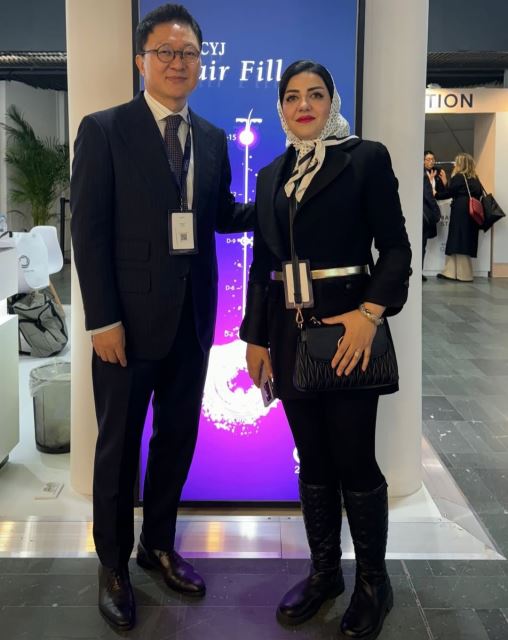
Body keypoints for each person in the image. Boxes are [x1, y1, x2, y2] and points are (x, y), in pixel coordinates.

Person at [71, 3, 252, 631]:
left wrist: (283, 204)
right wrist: (102, 320)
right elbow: (89, 232)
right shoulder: (105, 129)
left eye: (189, 53)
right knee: (118, 449)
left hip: (192, 321)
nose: (178, 63)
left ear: (201, 63)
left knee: (177, 440)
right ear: (141, 60)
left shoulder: (212, 138)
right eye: (166, 52)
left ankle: (158, 546)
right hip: (124, 327)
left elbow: (221, 215)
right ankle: (113, 566)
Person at [240, 60, 411, 640]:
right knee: (311, 458)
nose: (304, 105)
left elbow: (396, 249)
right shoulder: (271, 173)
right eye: (292, 97)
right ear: (281, 108)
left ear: (332, 101)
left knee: (354, 458)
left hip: (348, 336)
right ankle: (325, 574)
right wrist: (254, 336)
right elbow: (265, 265)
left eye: (315, 94)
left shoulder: (365, 159)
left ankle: (374, 584)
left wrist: (369, 315)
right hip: (290, 337)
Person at [436, 152, 482, 282]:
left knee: (457, 239)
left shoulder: (459, 177)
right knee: (462, 239)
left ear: (461, 164)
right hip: (471, 213)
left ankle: (462, 275)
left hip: (461, 211)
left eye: (457, 162)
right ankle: (451, 272)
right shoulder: (475, 178)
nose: (455, 164)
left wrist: (436, 194)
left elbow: (449, 192)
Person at [422, 150, 445, 281]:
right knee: (421, 243)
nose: (431, 162)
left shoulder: (437, 174)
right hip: (426, 212)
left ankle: (419, 271)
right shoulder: (422, 174)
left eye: (433, 159)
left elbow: (442, 192)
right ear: (423, 160)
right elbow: (428, 195)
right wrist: (437, 212)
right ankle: (418, 271)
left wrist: (444, 181)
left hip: (428, 212)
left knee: (423, 243)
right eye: (428, 159)